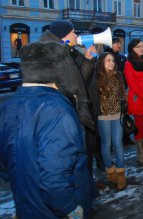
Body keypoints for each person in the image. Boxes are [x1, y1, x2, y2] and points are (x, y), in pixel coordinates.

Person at [0, 42, 95, 218]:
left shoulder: (8, 106)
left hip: (26, 205)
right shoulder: (57, 109)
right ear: (59, 70)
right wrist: (71, 209)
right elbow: (54, 179)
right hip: (55, 212)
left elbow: (5, 164)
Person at [38, 19, 104, 176]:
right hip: (65, 113)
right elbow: (71, 85)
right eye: (73, 32)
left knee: (84, 150)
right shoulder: (55, 55)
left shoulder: (68, 52)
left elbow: (79, 80)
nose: (76, 35)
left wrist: (88, 60)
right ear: (63, 36)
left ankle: (85, 184)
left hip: (75, 110)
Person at [96, 53, 127, 190]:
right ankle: (109, 169)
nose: (111, 63)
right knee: (106, 143)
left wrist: (124, 105)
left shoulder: (118, 75)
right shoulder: (96, 77)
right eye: (108, 60)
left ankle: (120, 172)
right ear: (102, 62)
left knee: (118, 142)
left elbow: (122, 93)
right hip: (103, 115)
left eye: (113, 60)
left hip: (117, 114)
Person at [124, 39, 143, 165]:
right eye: (138, 47)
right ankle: (140, 153)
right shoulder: (128, 63)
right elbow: (132, 84)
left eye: (142, 46)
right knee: (139, 127)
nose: (141, 48)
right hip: (138, 100)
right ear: (132, 49)